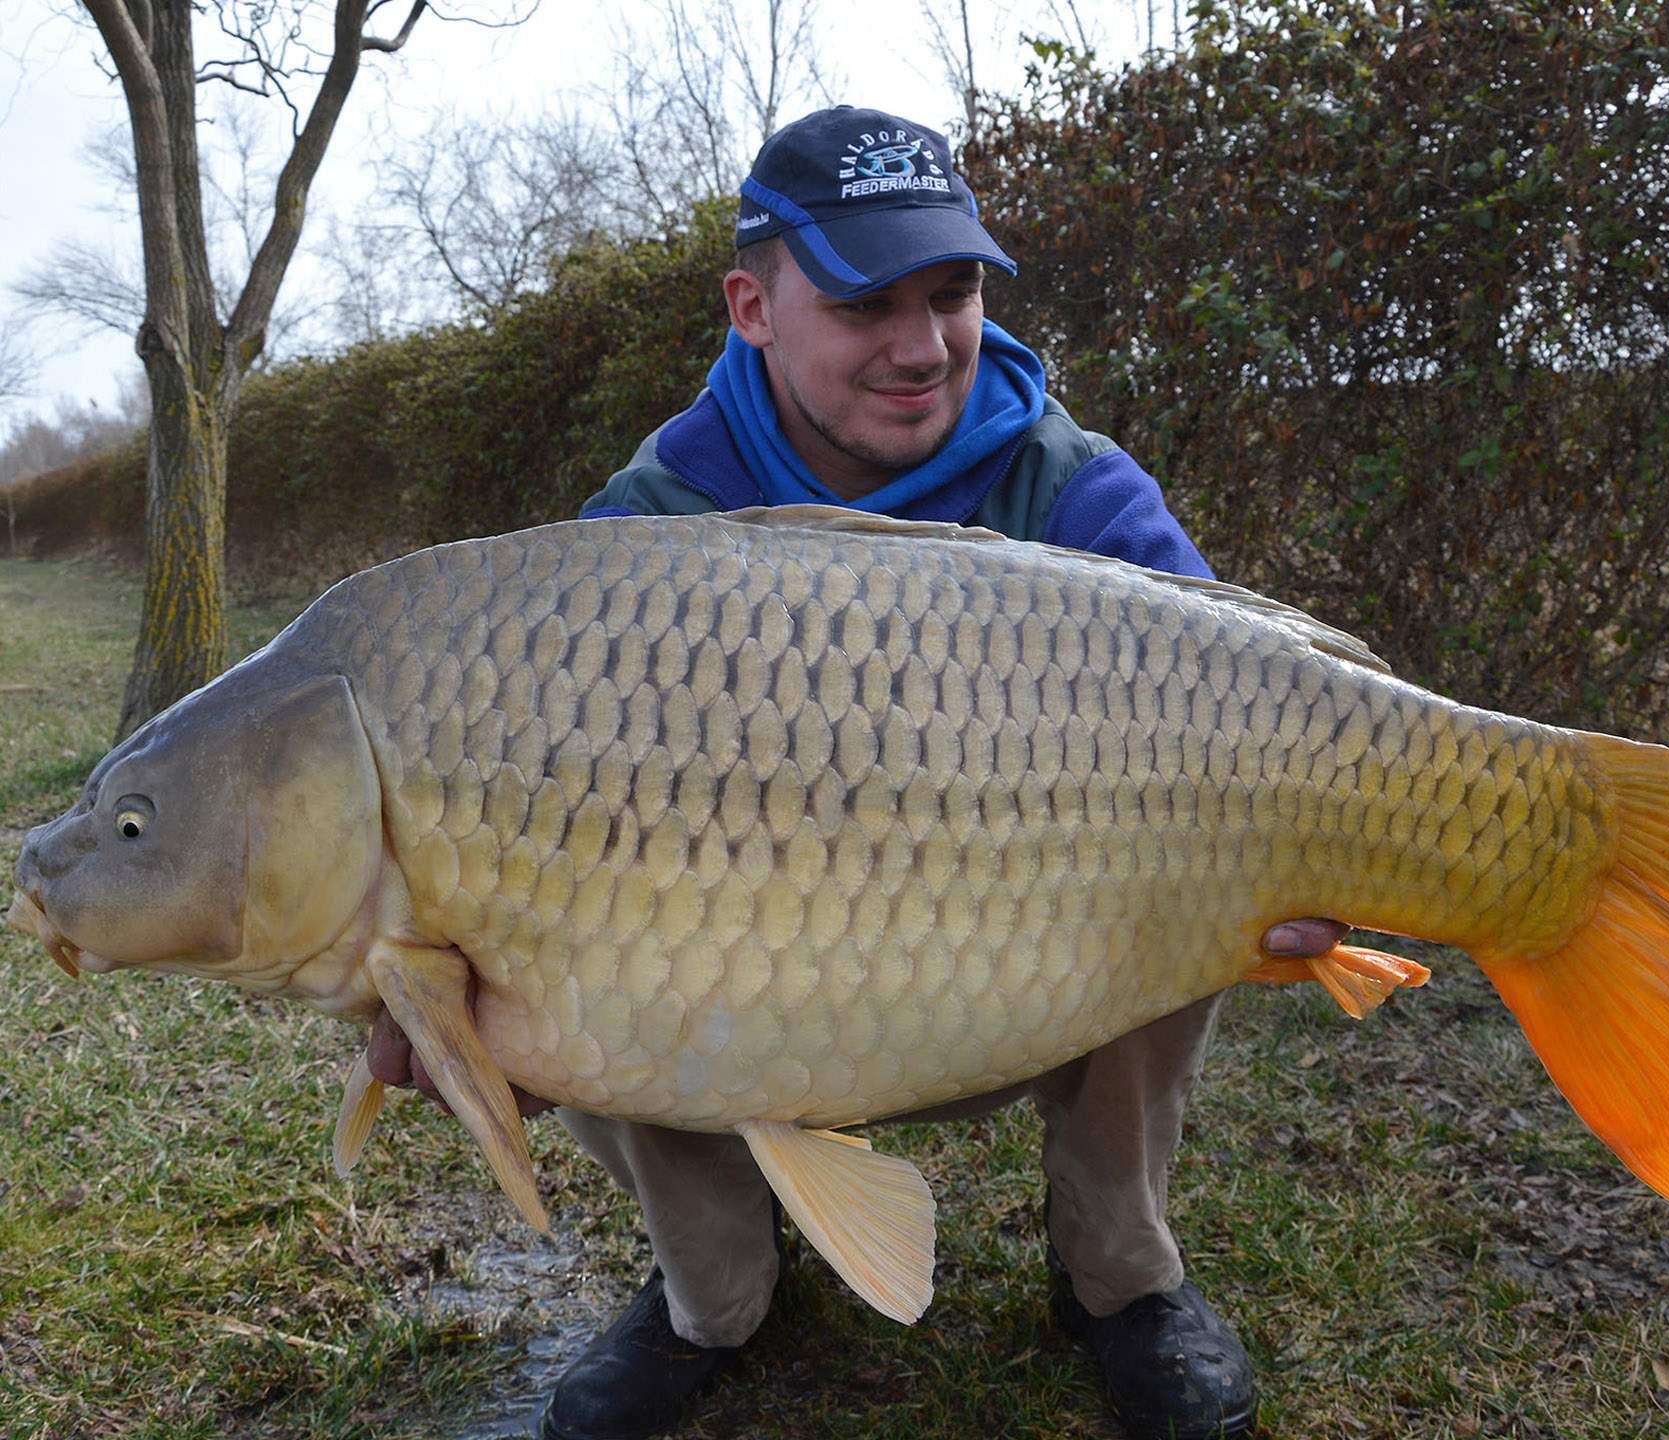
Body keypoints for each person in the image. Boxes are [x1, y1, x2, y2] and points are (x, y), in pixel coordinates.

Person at [366, 105, 1349, 1440]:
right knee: (568, 945)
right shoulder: (644, 531)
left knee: (1174, 843)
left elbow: (1252, 711)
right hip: (752, 993)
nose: (922, 344)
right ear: (753, 306)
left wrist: (1295, 864)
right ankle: (718, 1295)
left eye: (952, 294)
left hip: (1025, 973)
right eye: (866, 301)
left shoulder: (1074, 490)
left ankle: (1117, 1277)